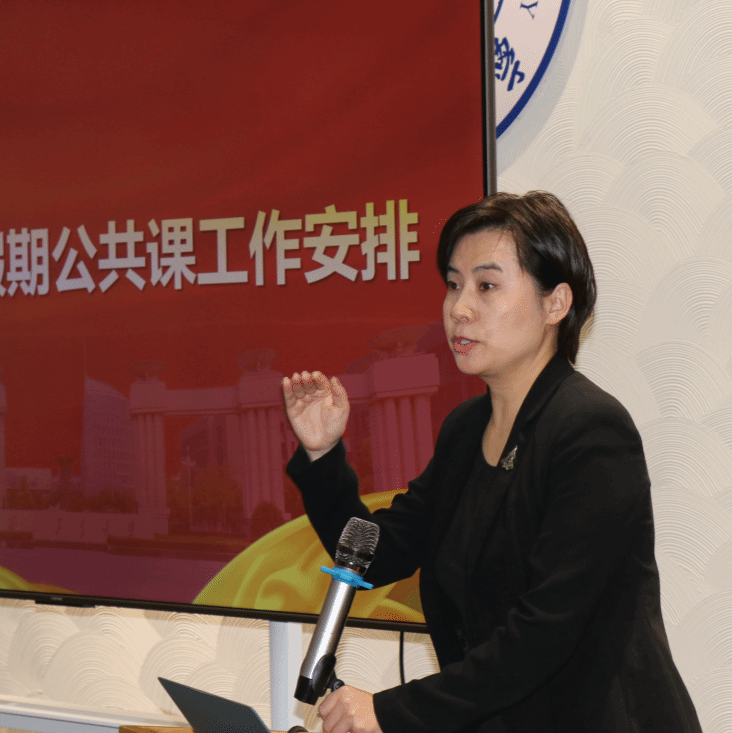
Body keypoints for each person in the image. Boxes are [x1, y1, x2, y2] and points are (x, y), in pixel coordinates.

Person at [282, 191, 702, 733]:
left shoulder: (591, 432)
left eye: (486, 286)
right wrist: (322, 455)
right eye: (453, 284)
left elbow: (543, 632)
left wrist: (390, 711)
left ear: (556, 303)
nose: (459, 308)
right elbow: (378, 555)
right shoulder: (465, 430)